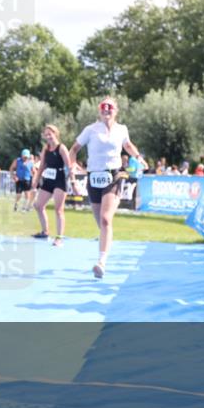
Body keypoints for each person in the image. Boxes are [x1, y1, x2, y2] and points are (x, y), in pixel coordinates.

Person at [68, 97, 147, 278]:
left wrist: (138, 157)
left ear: (116, 110)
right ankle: (107, 239)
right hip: (94, 177)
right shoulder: (90, 130)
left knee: (105, 219)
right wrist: (72, 165)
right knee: (101, 222)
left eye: (110, 107)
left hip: (114, 176)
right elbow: (73, 149)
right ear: (99, 111)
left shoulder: (122, 129)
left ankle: (101, 262)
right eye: (103, 108)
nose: (106, 110)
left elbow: (127, 145)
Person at [32, 124, 71, 246]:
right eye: (46, 134)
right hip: (48, 179)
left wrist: (73, 181)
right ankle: (45, 231)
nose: (48, 136)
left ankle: (59, 237)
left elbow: (69, 166)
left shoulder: (61, 148)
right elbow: (42, 165)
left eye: (50, 133)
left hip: (59, 180)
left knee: (58, 210)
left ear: (55, 134)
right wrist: (36, 179)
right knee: (38, 205)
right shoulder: (46, 149)